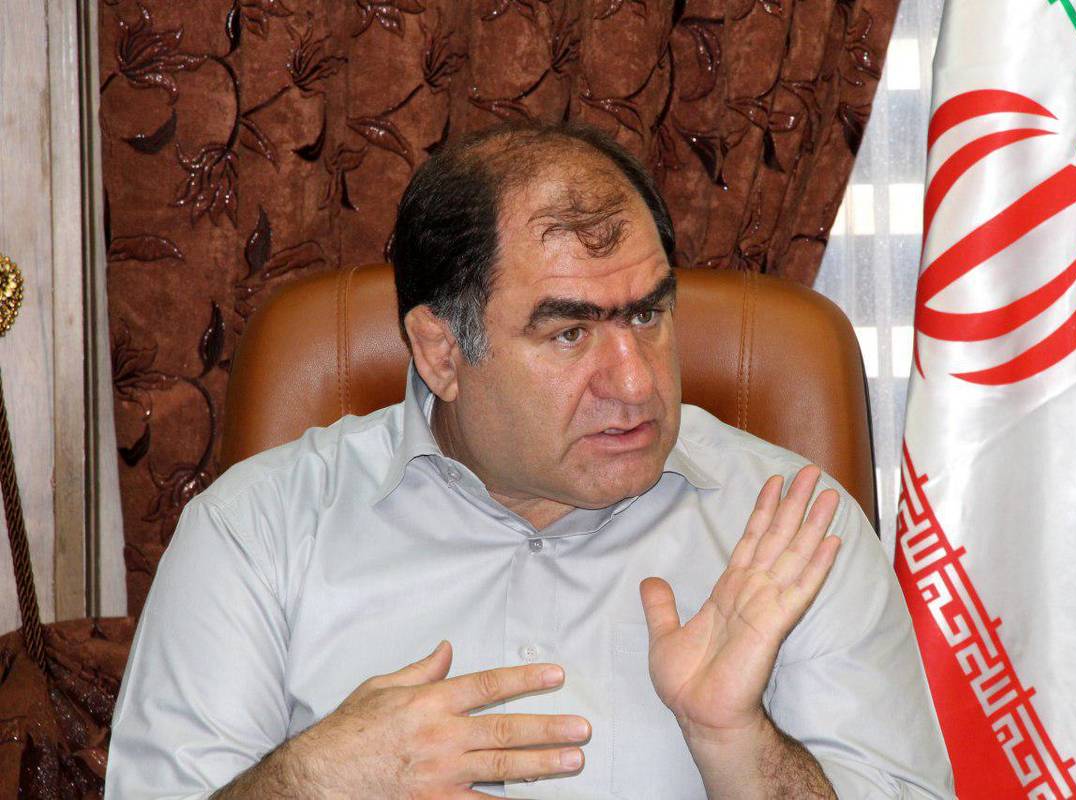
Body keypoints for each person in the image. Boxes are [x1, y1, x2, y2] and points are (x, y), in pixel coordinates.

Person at [107, 122, 953, 799]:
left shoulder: (793, 532)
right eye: (570, 332)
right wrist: (311, 782)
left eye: (648, 315)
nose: (635, 382)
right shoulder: (255, 533)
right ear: (440, 353)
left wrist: (740, 743)